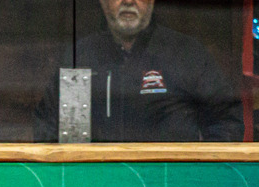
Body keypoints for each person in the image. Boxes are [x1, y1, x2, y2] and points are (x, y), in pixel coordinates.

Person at [34, 0, 243, 142]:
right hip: (96, 184)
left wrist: (200, 173)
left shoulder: (186, 54)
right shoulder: (79, 57)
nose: (128, 1)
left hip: (170, 186)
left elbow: (226, 121)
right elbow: (49, 128)